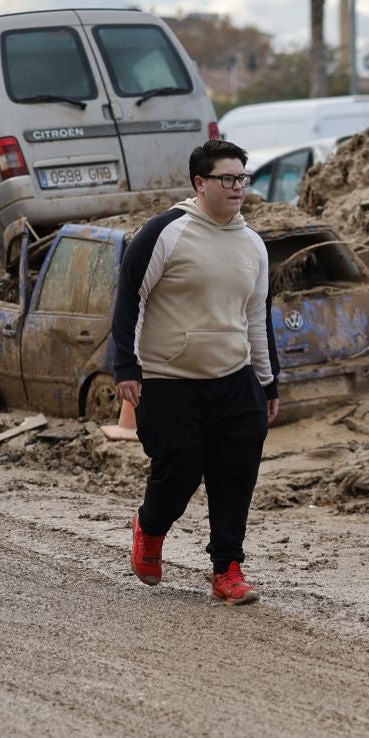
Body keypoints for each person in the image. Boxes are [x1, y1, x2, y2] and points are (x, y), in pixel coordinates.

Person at [111, 139, 280, 604]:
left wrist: (267, 381)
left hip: (234, 379)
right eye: (227, 178)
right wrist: (127, 366)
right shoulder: (166, 232)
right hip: (169, 380)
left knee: (235, 476)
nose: (237, 187)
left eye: (242, 178)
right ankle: (150, 527)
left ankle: (227, 568)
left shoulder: (252, 244)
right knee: (179, 471)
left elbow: (256, 317)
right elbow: (131, 298)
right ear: (200, 183)